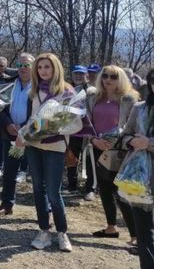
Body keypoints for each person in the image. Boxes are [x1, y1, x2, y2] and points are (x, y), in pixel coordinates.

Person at [13, 52, 81, 252]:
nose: (43, 71)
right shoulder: (35, 91)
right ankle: (44, 230)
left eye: (47, 67)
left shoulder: (67, 92)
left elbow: (76, 124)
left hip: (55, 147)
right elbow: (34, 118)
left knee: (53, 192)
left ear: (56, 68)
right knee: (37, 189)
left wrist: (56, 129)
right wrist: (23, 134)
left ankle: (62, 232)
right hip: (35, 147)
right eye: (40, 67)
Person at [84, 65, 139, 245]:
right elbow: (86, 124)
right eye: (105, 75)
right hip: (99, 148)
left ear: (121, 78)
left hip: (120, 152)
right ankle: (111, 227)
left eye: (113, 76)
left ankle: (136, 236)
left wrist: (119, 142)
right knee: (105, 190)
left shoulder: (129, 100)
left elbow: (134, 128)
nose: (108, 79)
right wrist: (94, 140)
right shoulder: (93, 97)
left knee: (121, 192)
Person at [0, 52, 35, 215]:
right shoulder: (9, 83)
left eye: (27, 65)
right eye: (20, 65)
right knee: (9, 172)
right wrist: (8, 123)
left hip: (31, 137)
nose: (23, 68)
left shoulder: (39, 87)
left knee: (37, 176)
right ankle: (6, 204)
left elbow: (41, 112)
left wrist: (24, 127)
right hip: (10, 134)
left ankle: (44, 211)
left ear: (33, 67)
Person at [121, 68, 153, 268]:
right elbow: (124, 136)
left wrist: (149, 143)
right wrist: (132, 140)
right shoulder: (139, 108)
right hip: (139, 176)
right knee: (144, 231)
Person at [66, 64, 95, 199]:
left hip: (89, 131)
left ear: (86, 76)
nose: (78, 76)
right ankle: (72, 185)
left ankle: (90, 188)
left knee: (89, 160)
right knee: (71, 158)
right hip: (72, 131)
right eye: (76, 74)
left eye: (81, 74)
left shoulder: (93, 91)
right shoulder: (67, 89)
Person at [0, 56, 15, 179]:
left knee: (0, 142)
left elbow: (20, 72)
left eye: (2, 65)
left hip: (2, 114)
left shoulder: (9, 80)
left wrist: (7, 70)